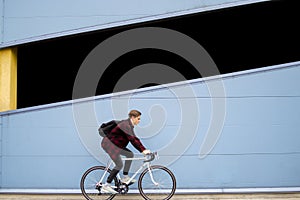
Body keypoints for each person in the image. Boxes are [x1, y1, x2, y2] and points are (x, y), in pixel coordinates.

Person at [101, 109, 151, 194]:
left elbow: (135, 138)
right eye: (138, 119)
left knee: (130, 154)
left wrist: (144, 149)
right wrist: (143, 150)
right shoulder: (125, 125)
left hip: (116, 146)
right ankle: (106, 185)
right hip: (110, 145)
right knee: (119, 164)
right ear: (133, 117)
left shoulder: (128, 125)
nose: (139, 121)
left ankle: (125, 177)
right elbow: (132, 139)